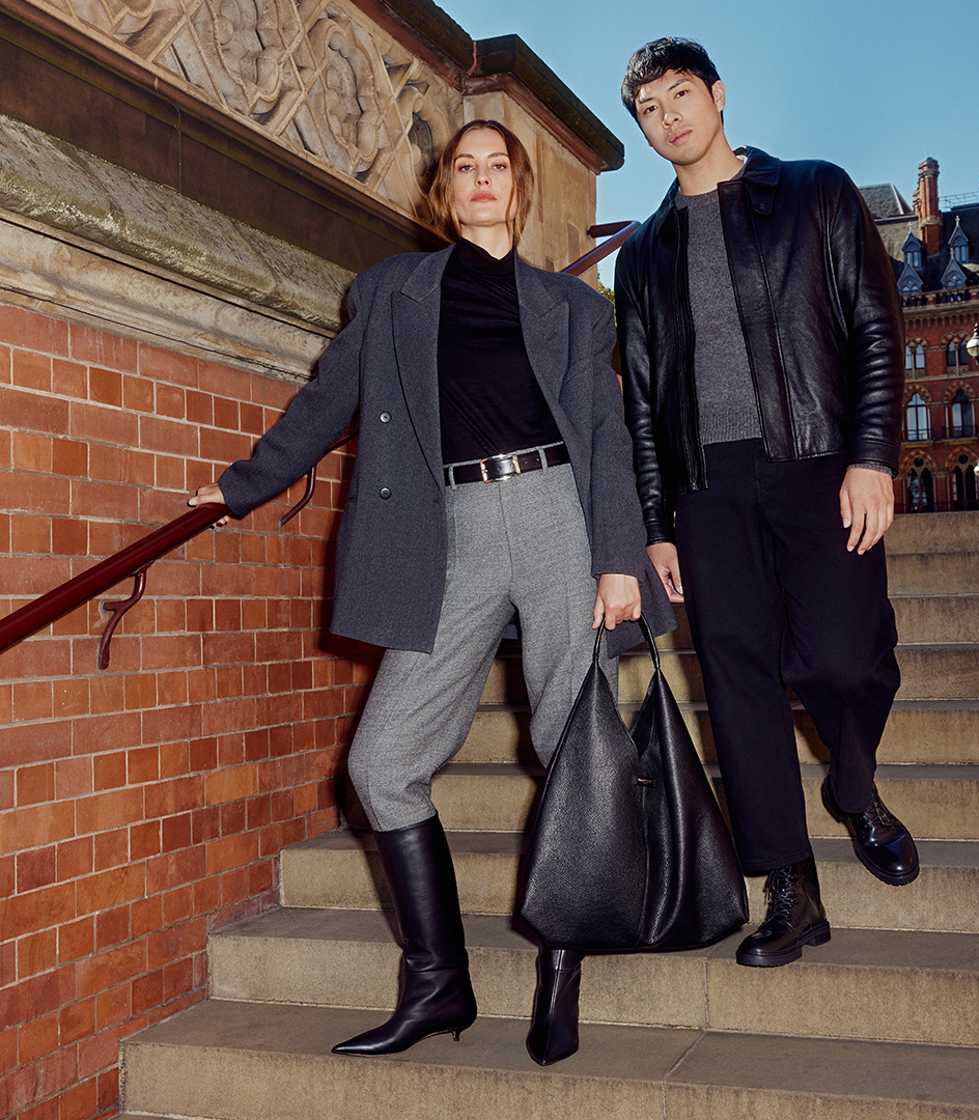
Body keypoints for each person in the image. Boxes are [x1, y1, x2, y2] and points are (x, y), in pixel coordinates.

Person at [189, 119, 674, 1061]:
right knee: (380, 763)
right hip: (449, 529)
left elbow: (606, 436)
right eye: (465, 167)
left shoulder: (574, 310)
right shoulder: (392, 292)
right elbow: (326, 400)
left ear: (519, 189)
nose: (482, 180)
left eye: (498, 167)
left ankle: (562, 964)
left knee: (571, 746)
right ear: (443, 191)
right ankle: (439, 984)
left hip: (557, 517)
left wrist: (619, 553)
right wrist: (242, 486)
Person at [614, 39, 919, 970]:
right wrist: (656, 524)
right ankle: (790, 887)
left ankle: (853, 787)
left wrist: (872, 457)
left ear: (718, 95)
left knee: (842, 657)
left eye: (680, 95)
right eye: (650, 109)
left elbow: (875, 327)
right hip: (708, 487)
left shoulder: (815, 192)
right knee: (738, 681)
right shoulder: (645, 251)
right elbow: (641, 403)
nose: (669, 117)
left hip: (818, 461)